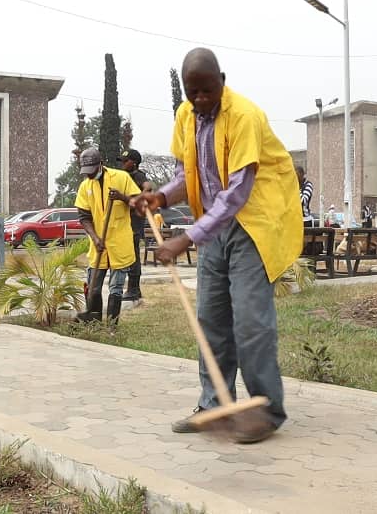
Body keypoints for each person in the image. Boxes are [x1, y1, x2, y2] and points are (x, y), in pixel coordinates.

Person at [131, 48, 302, 444]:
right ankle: (214, 406)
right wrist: (161, 198)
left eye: (208, 91)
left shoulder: (244, 116)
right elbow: (186, 173)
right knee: (211, 318)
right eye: (193, 93)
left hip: (254, 222)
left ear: (222, 81)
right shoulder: (185, 115)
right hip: (213, 223)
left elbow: (237, 192)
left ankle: (265, 411)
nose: (201, 100)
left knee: (250, 321)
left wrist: (186, 237)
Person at [74, 148, 140, 326]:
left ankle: (112, 326)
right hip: (98, 244)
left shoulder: (121, 178)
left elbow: (138, 204)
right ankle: (93, 321)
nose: (89, 176)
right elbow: (84, 217)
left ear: (100, 165)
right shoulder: (85, 186)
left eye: (92, 172)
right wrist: (95, 238)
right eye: (85, 172)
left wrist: (122, 197)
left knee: (116, 288)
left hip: (119, 242)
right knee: (93, 286)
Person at [118, 149, 152, 301]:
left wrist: (137, 196)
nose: (123, 164)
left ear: (134, 163)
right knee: (128, 254)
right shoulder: (125, 176)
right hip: (124, 222)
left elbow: (147, 186)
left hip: (134, 223)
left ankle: (133, 289)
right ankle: (132, 288)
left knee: (133, 255)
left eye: (126, 161)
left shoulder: (138, 176)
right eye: (122, 161)